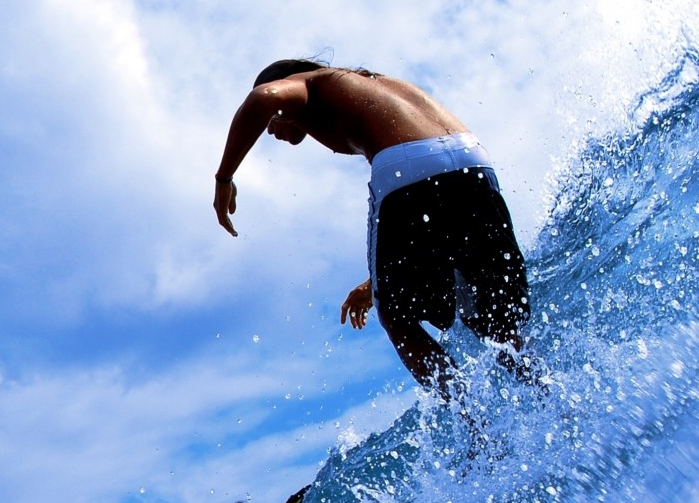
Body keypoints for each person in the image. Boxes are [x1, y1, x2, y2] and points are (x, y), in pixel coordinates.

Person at [212, 59, 533, 397]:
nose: (270, 129)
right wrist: (373, 283)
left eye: (272, 123)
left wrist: (224, 179)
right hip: (474, 162)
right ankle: (545, 395)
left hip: (407, 170)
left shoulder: (310, 83)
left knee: (397, 317)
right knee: (494, 319)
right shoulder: (378, 86)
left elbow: (263, 98)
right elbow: (433, 185)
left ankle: (474, 426)